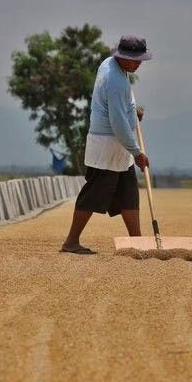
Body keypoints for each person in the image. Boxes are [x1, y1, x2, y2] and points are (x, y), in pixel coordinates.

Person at [60, 35, 152, 254]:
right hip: (108, 145)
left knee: (128, 193)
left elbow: (122, 109)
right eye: (134, 59)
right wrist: (137, 153)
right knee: (94, 193)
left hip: (119, 146)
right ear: (123, 57)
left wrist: (133, 111)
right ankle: (71, 242)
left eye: (140, 59)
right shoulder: (116, 82)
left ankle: (136, 242)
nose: (138, 63)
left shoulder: (110, 65)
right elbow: (118, 124)